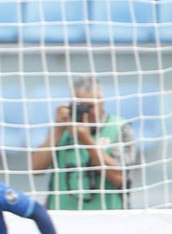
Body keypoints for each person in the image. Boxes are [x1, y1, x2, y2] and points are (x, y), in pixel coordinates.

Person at [31, 76, 137, 210]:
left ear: (102, 102)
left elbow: (120, 178)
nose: (86, 111)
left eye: (90, 106)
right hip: (63, 216)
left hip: (108, 218)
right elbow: (36, 168)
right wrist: (58, 129)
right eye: (81, 106)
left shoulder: (119, 127)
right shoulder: (62, 128)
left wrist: (86, 140)